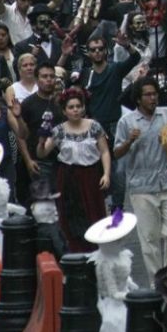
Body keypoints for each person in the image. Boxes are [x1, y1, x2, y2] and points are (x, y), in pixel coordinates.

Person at [113, 78, 167, 281]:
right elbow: (117, 153)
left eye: (155, 94)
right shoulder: (126, 122)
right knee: (150, 238)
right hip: (141, 187)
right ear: (138, 99)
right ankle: (158, 283)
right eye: (148, 95)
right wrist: (129, 141)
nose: (153, 98)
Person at [37, 87, 109, 254]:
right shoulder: (59, 130)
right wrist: (41, 141)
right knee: (70, 217)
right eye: (71, 107)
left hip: (91, 176)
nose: (75, 110)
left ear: (83, 108)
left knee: (94, 213)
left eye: (78, 106)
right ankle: (75, 254)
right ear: (64, 111)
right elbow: (42, 153)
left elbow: (104, 151)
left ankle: (97, 252)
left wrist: (106, 174)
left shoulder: (94, 126)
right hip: (68, 179)